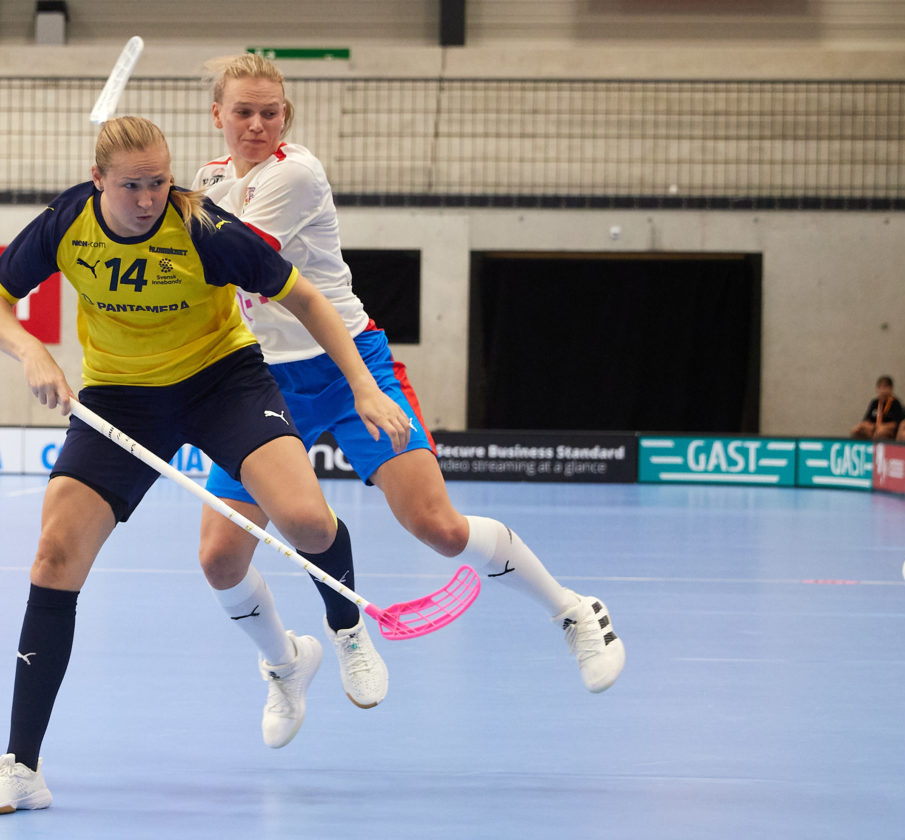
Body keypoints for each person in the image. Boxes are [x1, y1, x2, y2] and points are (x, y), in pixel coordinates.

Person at [0, 115, 413, 815]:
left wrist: (362, 383)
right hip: (120, 399)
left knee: (305, 520)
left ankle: (347, 627)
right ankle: (21, 766)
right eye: (133, 185)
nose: (148, 198)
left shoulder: (206, 228)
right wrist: (30, 351)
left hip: (222, 381)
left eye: (160, 181)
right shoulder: (66, 224)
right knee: (53, 556)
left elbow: (307, 297)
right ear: (98, 181)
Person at [191, 53, 626, 701]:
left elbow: (234, 258)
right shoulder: (210, 180)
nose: (257, 124)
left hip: (347, 366)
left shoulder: (296, 174)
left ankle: (572, 609)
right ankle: (288, 664)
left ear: (287, 115)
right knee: (220, 556)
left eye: (270, 112)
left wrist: (142, 224)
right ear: (218, 115)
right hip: (261, 383)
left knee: (437, 526)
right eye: (243, 112)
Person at [849, 375, 905, 440]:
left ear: (891, 389)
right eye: (880, 387)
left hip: (887, 430)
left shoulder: (895, 403)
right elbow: (866, 420)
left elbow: (897, 423)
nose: (882, 390)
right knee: (856, 430)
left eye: (885, 387)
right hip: (874, 428)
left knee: (880, 432)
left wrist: (882, 427)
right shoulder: (875, 402)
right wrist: (870, 426)